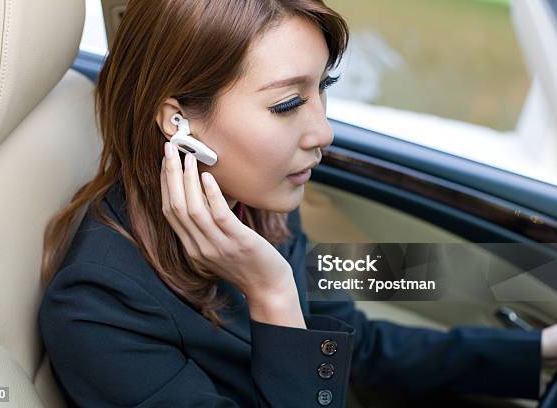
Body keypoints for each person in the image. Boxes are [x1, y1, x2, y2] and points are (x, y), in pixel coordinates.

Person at [38, 0, 557, 406]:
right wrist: (273, 294)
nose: (324, 132)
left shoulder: (256, 205)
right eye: (287, 103)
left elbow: (355, 348)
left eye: (323, 88)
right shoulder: (99, 307)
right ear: (177, 121)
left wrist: (539, 350)